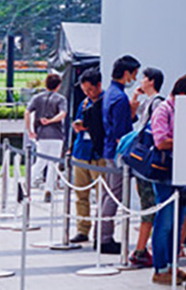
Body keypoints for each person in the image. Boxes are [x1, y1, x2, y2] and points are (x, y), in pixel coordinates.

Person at [151, 73, 186, 285]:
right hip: (165, 173)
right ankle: (160, 268)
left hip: (184, 172)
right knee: (164, 222)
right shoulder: (164, 109)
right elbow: (160, 141)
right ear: (183, 93)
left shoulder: (184, 110)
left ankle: (172, 266)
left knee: (178, 224)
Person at [100, 54, 141, 254]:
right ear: (126, 73)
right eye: (134, 74)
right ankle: (105, 238)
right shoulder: (120, 98)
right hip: (117, 153)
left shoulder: (110, 93)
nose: (135, 78)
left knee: (108, 193)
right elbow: (121, 132)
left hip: (108, 149)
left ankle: (101, 234)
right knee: (114, 195)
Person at [129, 67, 166, 269]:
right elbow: (133, 117)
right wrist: (135, 97)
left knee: (149, 204)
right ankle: (142, 249)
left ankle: (142, 249)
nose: (141, 81)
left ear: (151, 81)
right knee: (148, 203)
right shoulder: (148, 102)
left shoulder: (158, 102)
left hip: (148, 160)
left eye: (144, 78)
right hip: (144, 160)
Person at [70, 68, 107, 245]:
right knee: (80, 195)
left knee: (103, 197)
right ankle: (82, 229)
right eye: (85, 90)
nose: (88, 93)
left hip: (98, 155)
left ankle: (102, 231)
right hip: (81, 152)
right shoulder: (84, 103)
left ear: (98, 85)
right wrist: (78, 126)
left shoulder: (106, 101)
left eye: (90, 89)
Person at [25, 72, 68, 193]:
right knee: (53, 163)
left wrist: (29, 130)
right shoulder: (61, 99)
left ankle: (27, 181)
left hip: (41, 134)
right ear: (58, 85)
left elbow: (27, 113)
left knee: (40, 161)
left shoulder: (37, 98)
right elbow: (62, 114)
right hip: (56, 135)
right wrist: (51, 120)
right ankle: (49, 188)